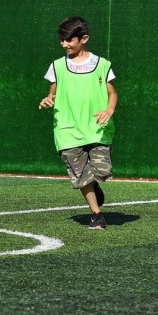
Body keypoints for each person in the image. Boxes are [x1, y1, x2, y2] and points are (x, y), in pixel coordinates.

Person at [38, 16, 117, 230]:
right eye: (62, 40)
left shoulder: (102, 64)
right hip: (67, 129)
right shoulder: (57, 66)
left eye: (69, 40)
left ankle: (94, 184)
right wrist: (48, 100)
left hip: (96, 128)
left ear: (84, 39)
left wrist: (109, 110)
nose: (64, 44)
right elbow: (52, 93)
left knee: (102, 170)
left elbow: (112, 93)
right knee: (81, 175)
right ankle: (96, 214)